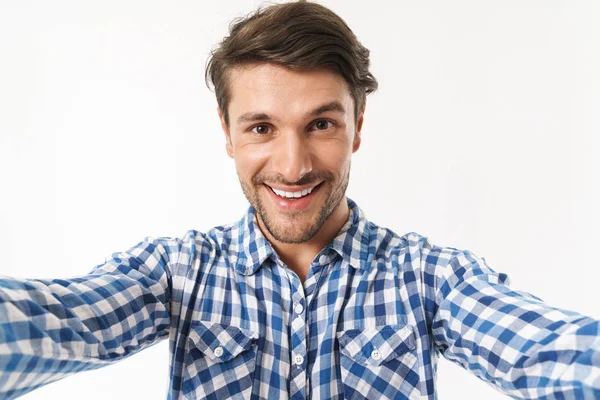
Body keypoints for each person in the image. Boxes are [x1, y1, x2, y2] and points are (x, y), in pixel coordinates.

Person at [0, 1, 598, 399]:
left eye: (321, 125)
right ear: (228, 133)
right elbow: (55, 320)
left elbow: (549, 349)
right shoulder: (176, 274)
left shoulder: (430, 279)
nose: (293, 166)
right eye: (261, 127)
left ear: (357, 128)